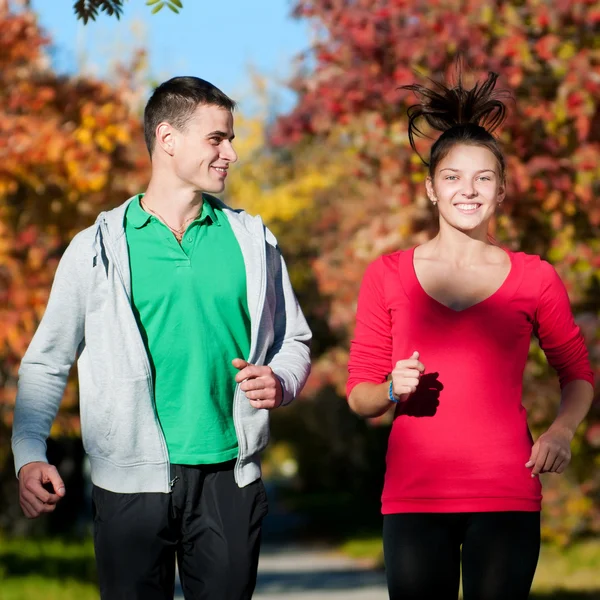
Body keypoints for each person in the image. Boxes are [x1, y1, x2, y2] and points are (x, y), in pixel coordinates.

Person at [12, 76, 312, 600]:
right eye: (217, 139)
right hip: (127, 484)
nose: (232, 154)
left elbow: (296, 342)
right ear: (168, 138)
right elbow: (47, 361)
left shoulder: (252, 240)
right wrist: (29, 452)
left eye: (231, 139)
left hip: (229, 477)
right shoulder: (97, 247)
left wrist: (281, 380)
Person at [346, 67, 594, 600]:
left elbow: (577, 374)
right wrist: (392, 387)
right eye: (453, 177)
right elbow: (361, 397)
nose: (469, 190)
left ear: (501, 191)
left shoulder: (536, 277)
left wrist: (561, 432)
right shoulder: (385, 275)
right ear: (432, 189)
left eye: (483, 178)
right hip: (415, 499)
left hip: (505, 494)